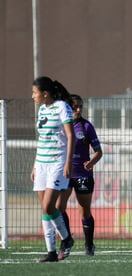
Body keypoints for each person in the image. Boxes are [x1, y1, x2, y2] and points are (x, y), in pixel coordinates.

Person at [31, 76, 75, 262]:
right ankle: (51, 252)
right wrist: (35, 165)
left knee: (50, 206)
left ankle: (67, 238)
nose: (33, 96)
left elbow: (71, 136)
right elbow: (42, 140)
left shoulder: (62, 107)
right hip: (41, 164)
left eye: (34, 92)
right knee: (45, 209)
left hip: (57, 163)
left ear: (45, 93)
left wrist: (68, 162)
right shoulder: (42, 109)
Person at [57, 94, 103, 258]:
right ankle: (66, 241)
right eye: (75, 107)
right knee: (58, 208)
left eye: (80, 107)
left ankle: (89, 244)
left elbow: (98, 152)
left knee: (84, 212)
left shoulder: (86, 127)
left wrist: (91, 162)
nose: (78, 110)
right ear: (67, 108)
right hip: (64, 174)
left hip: (83, 175)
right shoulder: (61, 125)